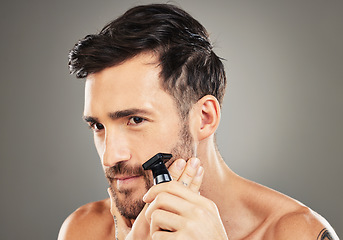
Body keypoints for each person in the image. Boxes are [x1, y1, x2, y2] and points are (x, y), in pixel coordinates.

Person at [58, 3, 339, 240]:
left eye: (135, 119)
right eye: (98, 126)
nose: (110, 156)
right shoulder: (84, 229)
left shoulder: (295, 233)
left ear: (204, 118)